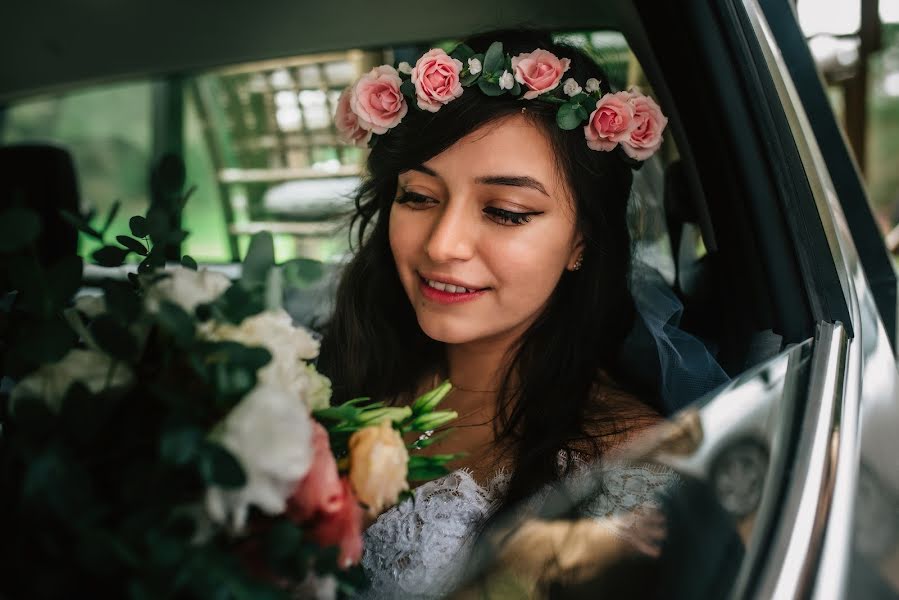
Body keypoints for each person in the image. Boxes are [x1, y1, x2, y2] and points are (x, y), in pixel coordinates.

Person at [318, 29, 677, 598]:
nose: (443, 245)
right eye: (418, 197)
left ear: (582, 241)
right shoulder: (344, 368)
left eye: (507, 212)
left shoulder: (626, 466)